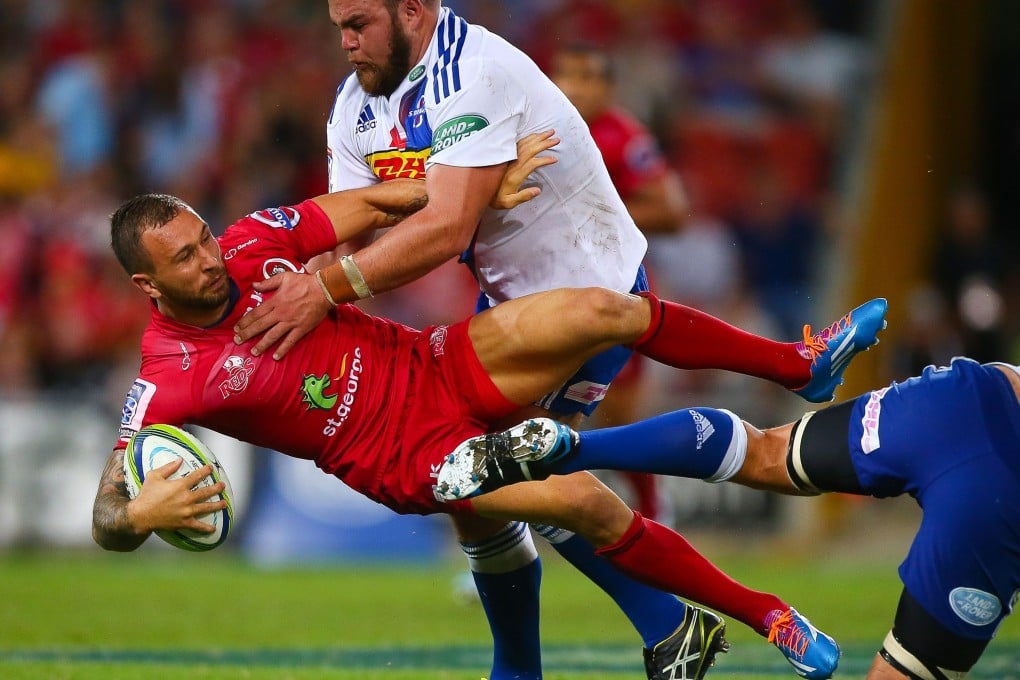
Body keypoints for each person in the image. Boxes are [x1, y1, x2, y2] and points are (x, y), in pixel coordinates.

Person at [229, 3, 875, 677]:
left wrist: (336, 280)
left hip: (587, 283)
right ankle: (677, 621)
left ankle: (742, 598)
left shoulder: (470, 72)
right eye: (339, 25)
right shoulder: (356, 105)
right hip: (510, 302)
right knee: (488, 495)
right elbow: (354, 221)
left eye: (359, 22)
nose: (346, 41)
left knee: (529, 474)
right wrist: (308, 272)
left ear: (412, 10)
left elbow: (447, 232)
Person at [92, 187, 886, 679]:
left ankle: (797, 365)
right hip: (403, 456)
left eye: (203, 239)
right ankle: (765, 614)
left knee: (600, 309)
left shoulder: (253, 244)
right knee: (583, 501)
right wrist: (137, 516)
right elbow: (107, 513)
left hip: (433, 363)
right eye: (187, 258)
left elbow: (365, 206)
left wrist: (465, 186)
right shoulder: (169, 373)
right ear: (146, 283)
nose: (211, 260)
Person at [441, 356, 1018, 680]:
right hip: (999, 490)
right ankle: (726, 616)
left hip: (975, 393)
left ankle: (576, 449)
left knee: (763, 452)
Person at [550, 42, 688, 523]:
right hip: (543, 290)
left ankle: (654, 515)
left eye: (587, 76)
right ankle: (508, 533)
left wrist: (592, 216)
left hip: (611, 291)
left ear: (607, 87)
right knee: (523, 413)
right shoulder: (541, 126)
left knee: (616, 417)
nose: (574, 87)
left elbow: (672, 211)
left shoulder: (624, 137)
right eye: (566, 73)